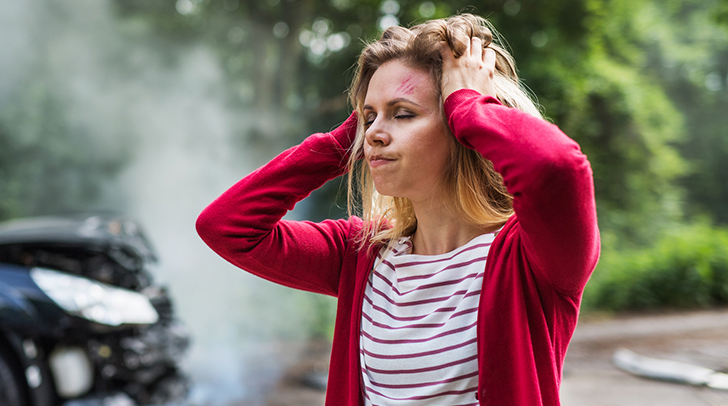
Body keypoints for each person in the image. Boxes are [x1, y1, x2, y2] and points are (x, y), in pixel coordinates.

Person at [196, 13, 599, 406]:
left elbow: (556, 166)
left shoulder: (531, 259)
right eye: (367, 118)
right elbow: (225, 226)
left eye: (403, 113)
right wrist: (346, 140)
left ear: (463, 129)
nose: (373, 134)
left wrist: (469, 104)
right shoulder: (362, 254)